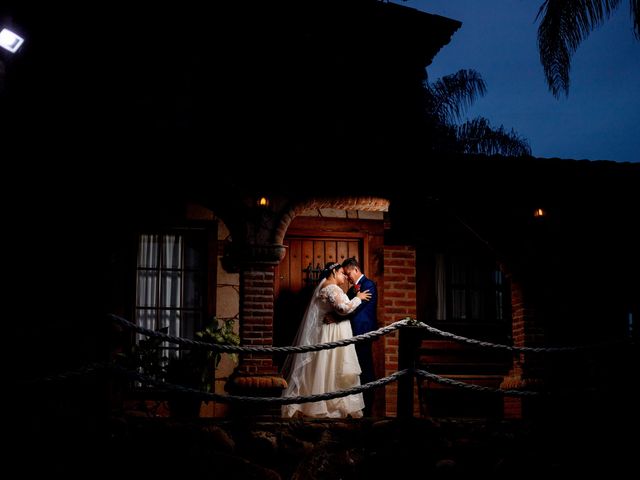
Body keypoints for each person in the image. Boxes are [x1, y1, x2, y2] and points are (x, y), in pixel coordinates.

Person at [281, 261, 372, 418]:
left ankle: (333, 404)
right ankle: (325, 406)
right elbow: (343, 309)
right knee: (330, 365)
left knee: (332, 366)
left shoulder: (328, 286)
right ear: (334, 272)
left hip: (333, 331)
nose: (345, 276)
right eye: (342, 273)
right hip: (332, 334)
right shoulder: (331, 287)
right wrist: (358, 298)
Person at [341, 257, 378, 416]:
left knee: (365, 370)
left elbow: (356, 309)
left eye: (348, 274)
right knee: (354, 370)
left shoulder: (369, 285)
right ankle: (357, 406)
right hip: (351, 334)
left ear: (356, 270)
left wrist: (337, 318)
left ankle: (368, 408)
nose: (347, 278)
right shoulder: (351, 290)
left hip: (363, 334)